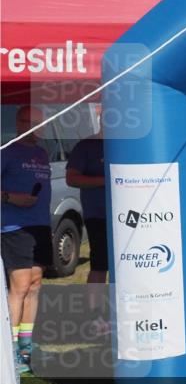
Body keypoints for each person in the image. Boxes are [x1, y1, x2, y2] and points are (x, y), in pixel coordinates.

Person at [1, 106, 53, 373]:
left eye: (40, 124)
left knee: (35, 284)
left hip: (40, 225)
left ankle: (25, 346)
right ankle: (9, 351)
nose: (36, 128)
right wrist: (11, 198)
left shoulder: (42, 153)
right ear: (19, 123)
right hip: (15, 226)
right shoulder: (7, 151)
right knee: (19, 286)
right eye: (31, 123)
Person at [66, 112, 107, 284]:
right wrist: (106, 180)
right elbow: (71, 179)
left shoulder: (130, 144)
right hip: (98, 215)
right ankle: (94, 303)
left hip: (130, 214)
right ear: (101, 120)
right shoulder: (86, 146)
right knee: (100, 265)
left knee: (130, 262)